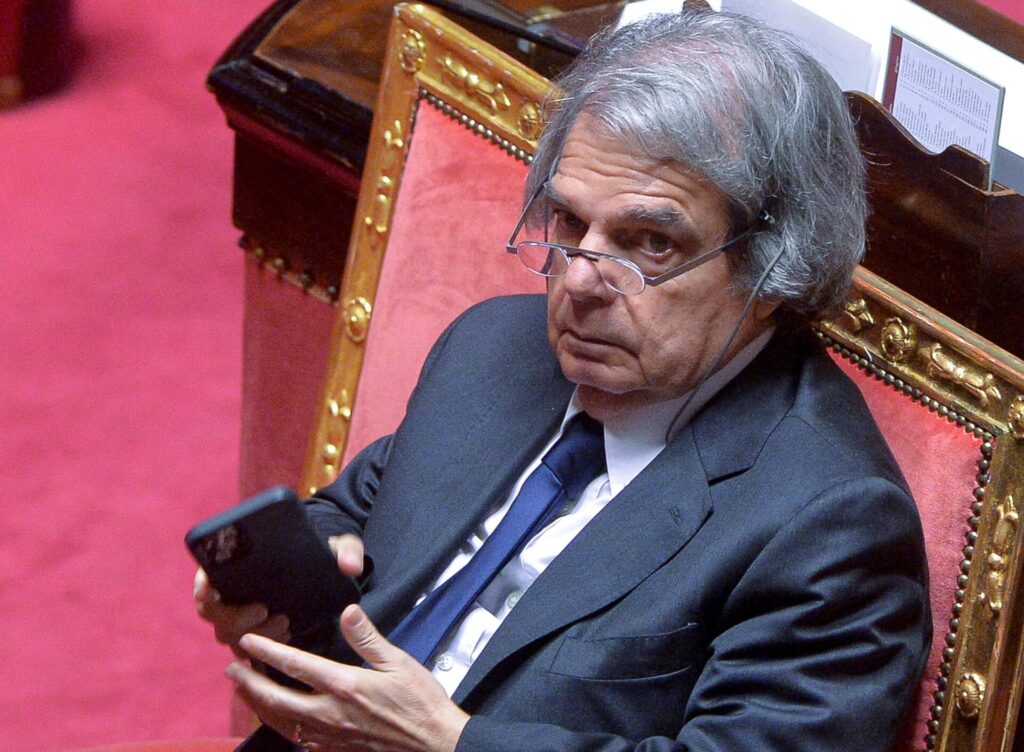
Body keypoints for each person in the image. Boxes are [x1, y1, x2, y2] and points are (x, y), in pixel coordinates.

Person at [195, 7, 930, 752]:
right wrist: (296, 571)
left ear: (772, 266)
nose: (578, 280)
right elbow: (357, 511)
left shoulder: (832, 524)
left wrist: (447, 744)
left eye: (650, 243)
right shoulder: (492, 348)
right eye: (570, 224)